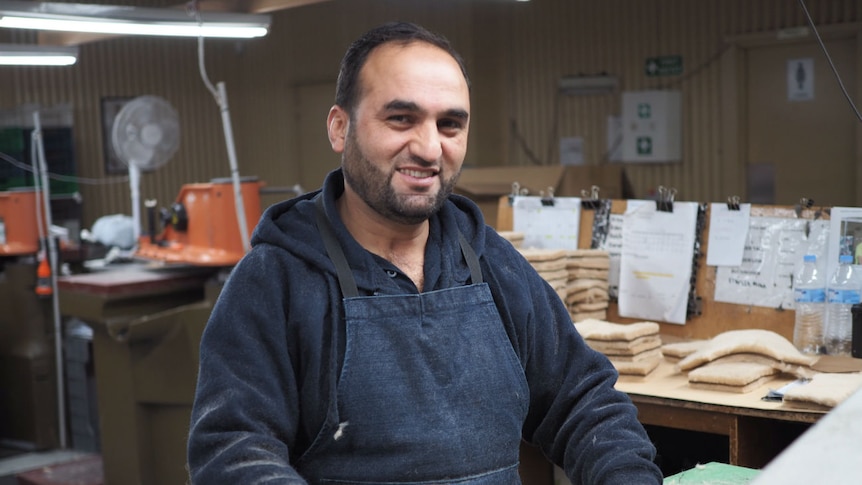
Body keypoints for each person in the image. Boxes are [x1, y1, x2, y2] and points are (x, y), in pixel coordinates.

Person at [187, 21, 662, 485]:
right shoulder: (275, 281)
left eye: (449, 124)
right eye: (401, 118)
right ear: (339, 128)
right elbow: (235, 451)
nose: (430, 148)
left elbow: (582, 404)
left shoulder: (491, 264)